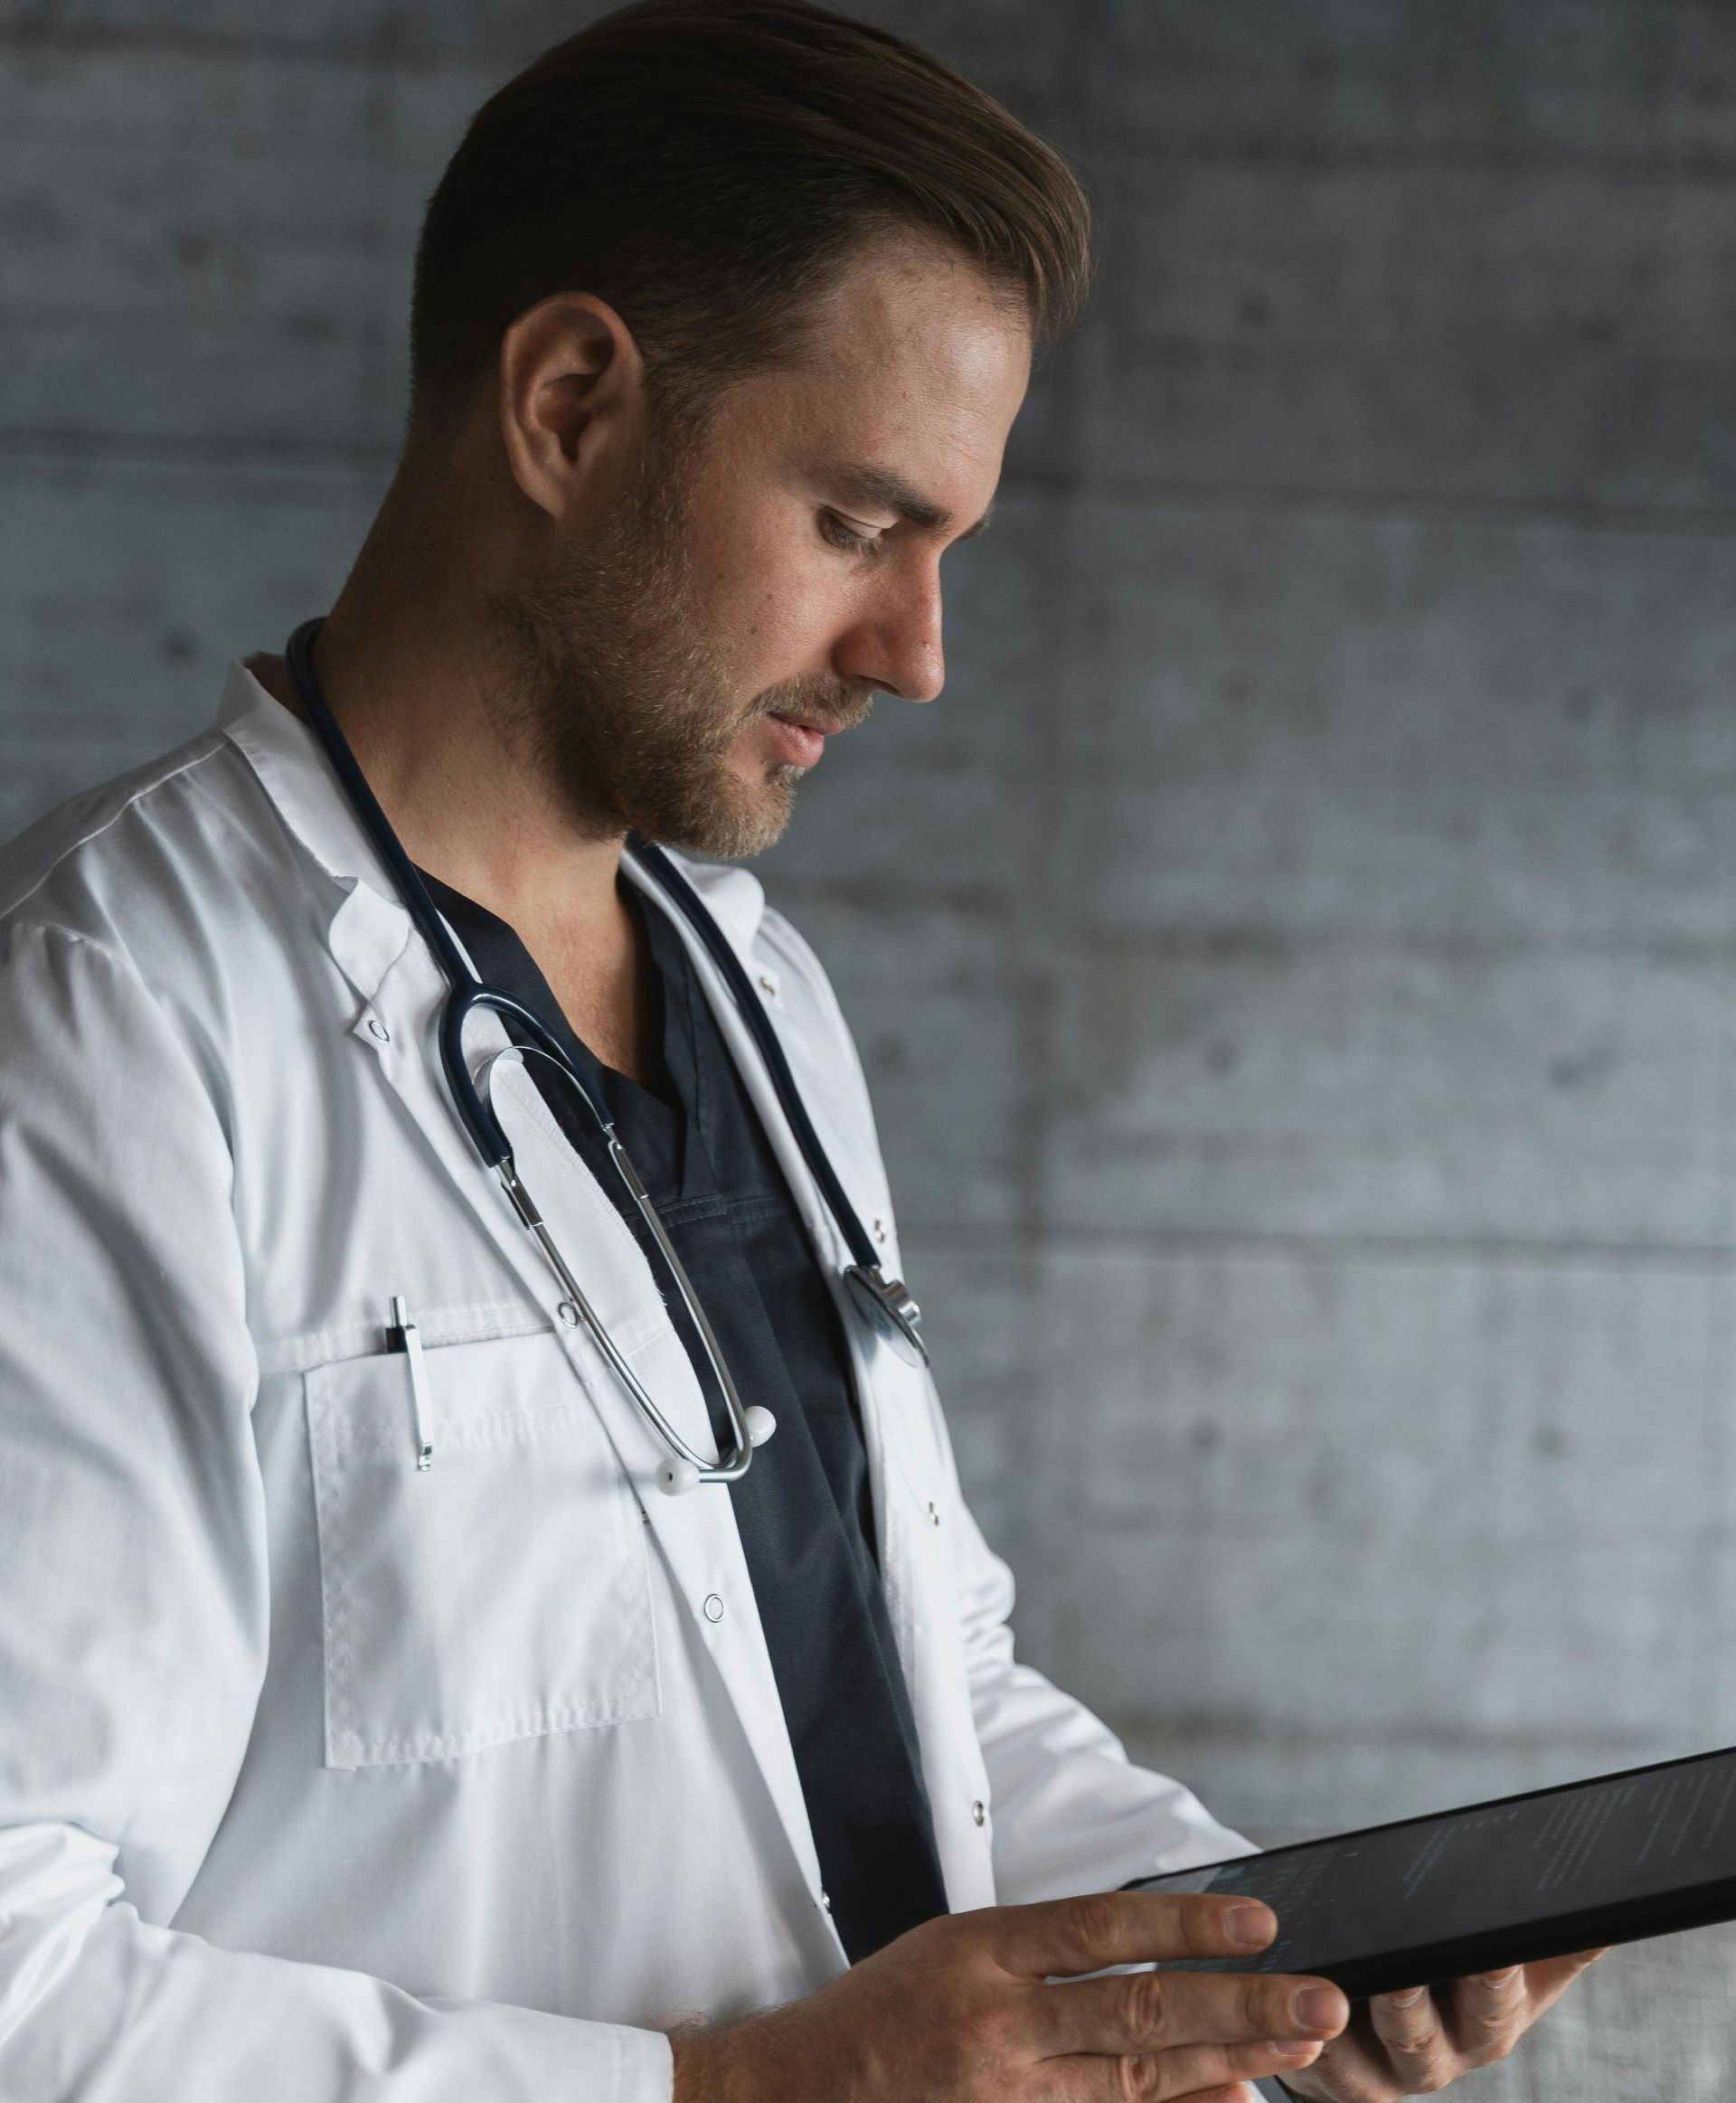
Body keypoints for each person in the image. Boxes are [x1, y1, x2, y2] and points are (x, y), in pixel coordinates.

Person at [0, 5, 1598, 2098]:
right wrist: (727, 2088)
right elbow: (21, 1968)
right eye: (859, 523)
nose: (918, 657)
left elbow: (920, 1680)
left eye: (948, 549)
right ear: (569, 406)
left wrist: (1258, 1941)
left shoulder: (755, 992)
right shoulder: (107, 1014)